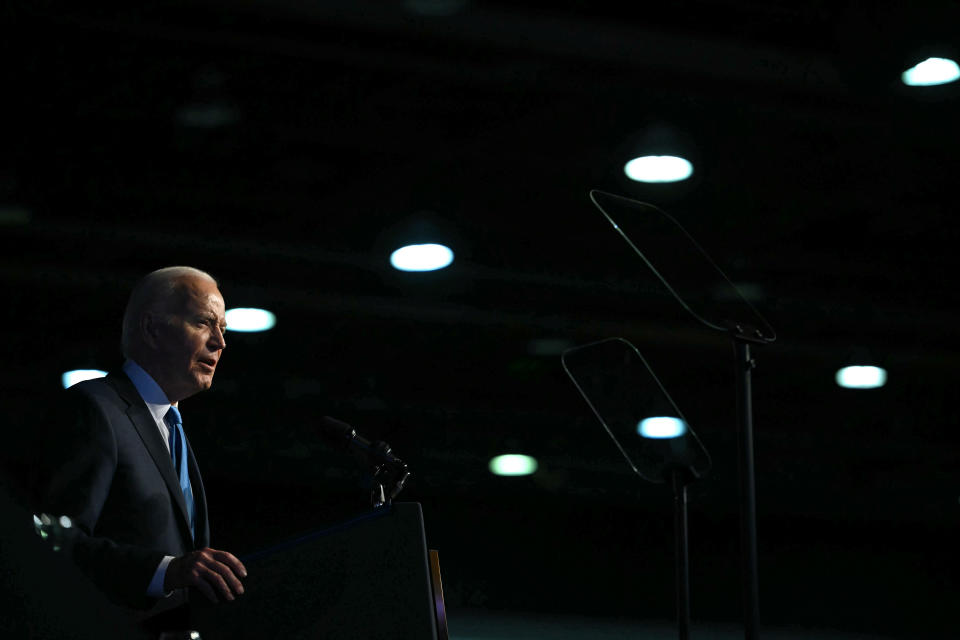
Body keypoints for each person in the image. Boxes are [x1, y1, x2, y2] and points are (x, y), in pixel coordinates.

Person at [34, 266, 247, 615]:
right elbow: (55, 543)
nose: (220, 342)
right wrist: (165, 571)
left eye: (222, 328)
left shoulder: (173, 429)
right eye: (204, 323)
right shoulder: (96, 408)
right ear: (152, 329)